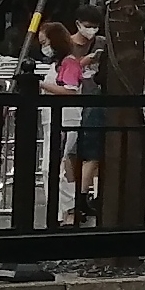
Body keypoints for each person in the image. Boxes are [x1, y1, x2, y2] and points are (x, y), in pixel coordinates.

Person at [40, 23, 101, 224]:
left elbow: (70, 90)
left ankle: (68, 208)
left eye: (45, 42)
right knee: (51, 168)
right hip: (52, 118)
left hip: (66, 119)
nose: (44, 47)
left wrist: (41, 85)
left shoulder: (70, 63)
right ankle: (63, 209)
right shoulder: (57, 64)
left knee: (53, 167)